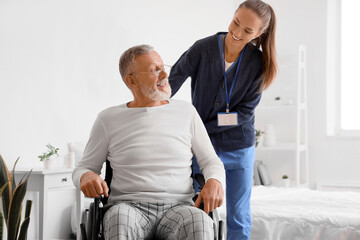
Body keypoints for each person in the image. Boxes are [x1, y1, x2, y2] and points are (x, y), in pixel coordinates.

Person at [72, 44, 225, 240]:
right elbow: (82, 168)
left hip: (179, 207)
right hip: (129, 207)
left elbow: (211, 162)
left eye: (163, 67)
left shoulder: (186, 112)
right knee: (119, 219)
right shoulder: (108, 119)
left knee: (200, 221)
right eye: (155, 70)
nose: (164, 74)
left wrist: (214, 180)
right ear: (132, 81)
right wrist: (86, 176)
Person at [168, 0, 277, 239]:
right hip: (203, 147)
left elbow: (243, 114)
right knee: (198, 208)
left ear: (259, 33)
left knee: (238, 215)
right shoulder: (202, 49)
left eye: (247, 30)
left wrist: (200, 128)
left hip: (239, 146)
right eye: (235, 22)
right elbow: (170, 83)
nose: (237, 33)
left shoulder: (259, 64)